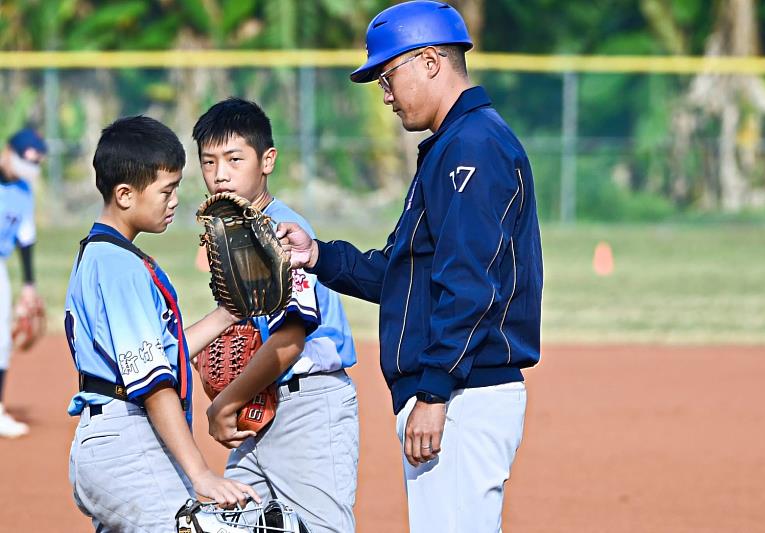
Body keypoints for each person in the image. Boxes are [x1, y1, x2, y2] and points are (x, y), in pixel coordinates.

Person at [277, 2, 544, 531]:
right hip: (456, 391)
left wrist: (435, 391)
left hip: (465, 393)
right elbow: (405, 275)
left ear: (429, 61)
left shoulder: (473, 147)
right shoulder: (451, 147)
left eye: (388, 73)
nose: (384, 92)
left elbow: (472, 285)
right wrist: (319, 255)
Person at [64, 116, 260, 533]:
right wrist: (201, 473)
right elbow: (153, 383)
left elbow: (161, 353)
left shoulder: (101, 255)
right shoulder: (120, 266)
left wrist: (229, 314)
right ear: (124, 195)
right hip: (128, 442)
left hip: (110, 439)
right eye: (166, 190)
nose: (175, 201)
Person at [192, 98, 359, 533]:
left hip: (306, 402)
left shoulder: (279, 230)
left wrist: (224, 403)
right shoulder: (235, 233)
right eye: (208, 162)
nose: (220, 174)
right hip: (258, 403)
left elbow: (288, 342)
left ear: (267, 160)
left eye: (234, 158)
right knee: (234, 522)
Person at [0, 127, 47, 438]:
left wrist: (29, 284)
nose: (28, 170)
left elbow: (25, 238)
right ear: (7, 152)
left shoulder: (23, 192)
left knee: (2, 339)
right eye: (24, 161)